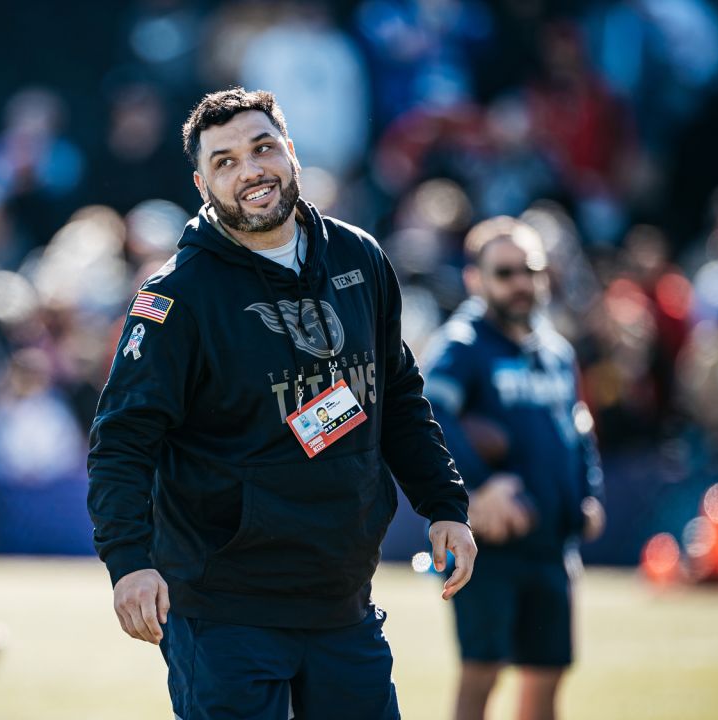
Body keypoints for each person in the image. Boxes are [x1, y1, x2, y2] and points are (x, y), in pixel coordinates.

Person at [87, 88, 476, 720]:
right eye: (226, 161)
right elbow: (123, 441)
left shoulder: (360, 257)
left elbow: (398, 394)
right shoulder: (177, 297)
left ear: (290, 153)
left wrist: (443, 504)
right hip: (223, 610)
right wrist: (129, 562)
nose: (251, 170)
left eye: (262, 148)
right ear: (201, 182)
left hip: (341, 599)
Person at [422, 216, 604, 720]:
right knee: (482, 672)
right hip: (490, 548)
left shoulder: (555, 351)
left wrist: (590, 494)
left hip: (551, 545)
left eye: (531, 269)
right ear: (475, 279)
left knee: (546, 677)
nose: (521, 282)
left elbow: (579, 429)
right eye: (505, 272)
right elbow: (427, 416)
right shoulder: (462, 345)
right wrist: (476, 491)